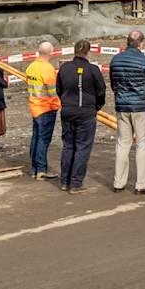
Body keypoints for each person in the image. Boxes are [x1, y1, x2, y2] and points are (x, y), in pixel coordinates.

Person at [109, 30, 145, 195]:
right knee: (142, 145)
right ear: (141, 43)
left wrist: (119, 97)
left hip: (122, 106)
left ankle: (118, 182)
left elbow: (113, 82)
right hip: (141, 107)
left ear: (127, 42)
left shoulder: (115, 60)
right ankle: (140, 184)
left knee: (123, 144)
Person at [55, 39, 106, 192]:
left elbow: (59, 89)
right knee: (83, 147)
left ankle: (65, 181)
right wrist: (96, 107)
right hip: (86, 112)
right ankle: (76, 183)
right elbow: (101, 91)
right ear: (88, 52)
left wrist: (66, 103)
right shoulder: (93, 69)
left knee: (68, 146)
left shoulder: (64, 68)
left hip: (68, 111)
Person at [25, 40, 61, 179]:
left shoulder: (31, 67)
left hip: (35, 106)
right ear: (51, 53)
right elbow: (52, 92)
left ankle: (35, 169)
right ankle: (41, 169)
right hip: (45, 108)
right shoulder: (47, 69)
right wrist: (56, 106)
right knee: (43, 139)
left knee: (36, 137)